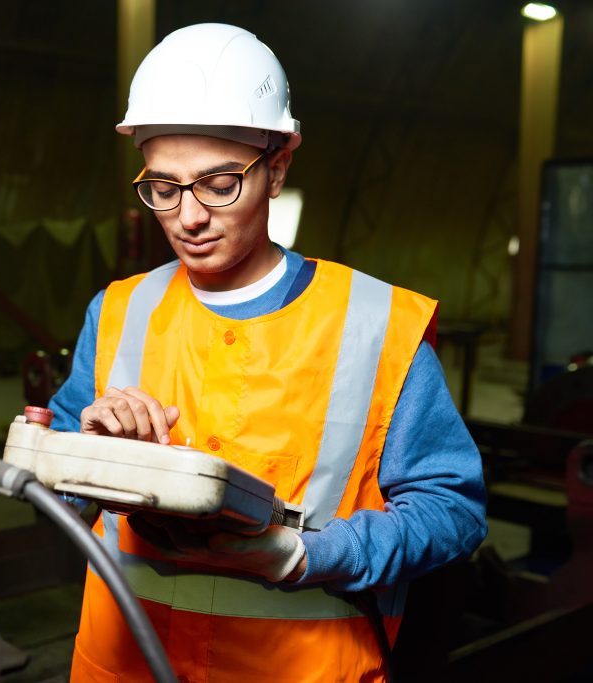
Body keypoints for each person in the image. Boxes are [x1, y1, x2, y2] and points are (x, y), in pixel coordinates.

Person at [47, 23, 487, 683]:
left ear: (277, 167)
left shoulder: (375, 325)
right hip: (122, 667)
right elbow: (55, 482)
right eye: (163, 187)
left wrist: (307, 554)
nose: (188, 216)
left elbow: (452, 511)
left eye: (219, 183)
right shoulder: (117, 309)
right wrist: (87, 454)